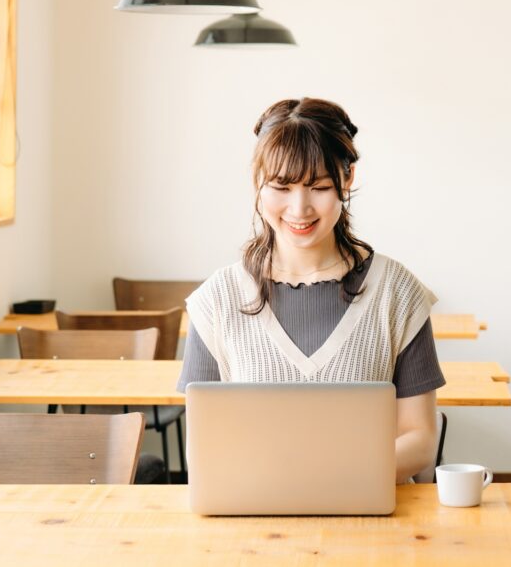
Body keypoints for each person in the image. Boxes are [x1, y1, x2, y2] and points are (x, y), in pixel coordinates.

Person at [178, 97, 445, 483]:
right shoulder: (217, 300)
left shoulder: (396, 291)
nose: (300, 208)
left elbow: (419, 439)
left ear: (348, 178)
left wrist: (321, 477)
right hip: (252, 523)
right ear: (258, 182)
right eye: (281, 187)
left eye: (318, 186)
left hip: (372, 528)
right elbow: (203, 449)